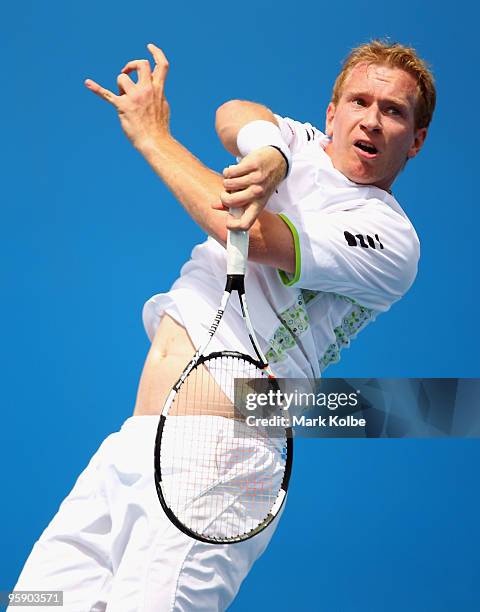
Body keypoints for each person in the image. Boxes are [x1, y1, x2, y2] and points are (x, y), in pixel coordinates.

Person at [10, 39, 435, 611]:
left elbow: (247, 233)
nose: (373, 120)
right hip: (131, 447)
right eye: (360, 102)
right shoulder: (300, 143)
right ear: (331, 114)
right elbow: (235, 112)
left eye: (394, 112)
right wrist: (271, 154)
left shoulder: (389, 238)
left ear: (416, 141)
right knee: (36, 602)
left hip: (223, 457)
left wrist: (153, 136)